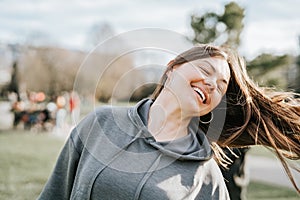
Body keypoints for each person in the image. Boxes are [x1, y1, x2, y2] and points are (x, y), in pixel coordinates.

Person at [38, 44, 300, 199]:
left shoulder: (206, 178)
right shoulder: (100, 123)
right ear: (173, 66)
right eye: (205, 71)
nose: (211, 84)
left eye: (221, 86)